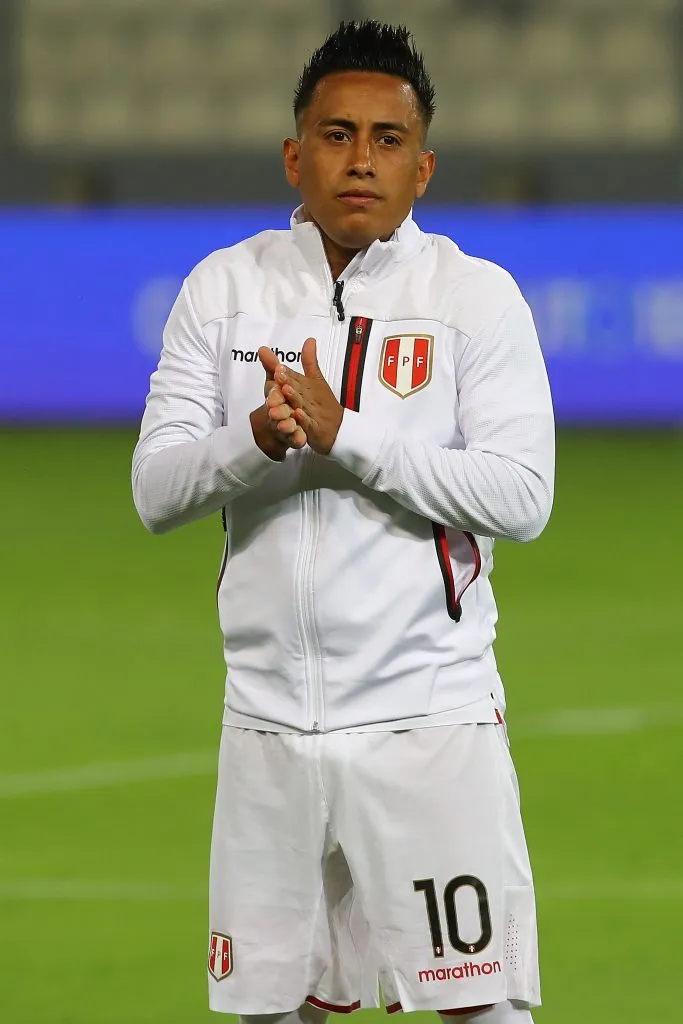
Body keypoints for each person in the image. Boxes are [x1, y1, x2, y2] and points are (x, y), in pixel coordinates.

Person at [132, 20, 554, 1024]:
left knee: (479, 1007)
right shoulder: (224, 291)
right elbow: (155, 490)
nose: (358, 158)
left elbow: (520, 496)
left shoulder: (473, 299)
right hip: (267, 722)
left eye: (385, 138)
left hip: (426, 719)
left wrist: (344, 436)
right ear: (294, 153)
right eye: (334, 134)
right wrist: (256, 443)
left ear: (422, 168)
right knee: (274, 1013)